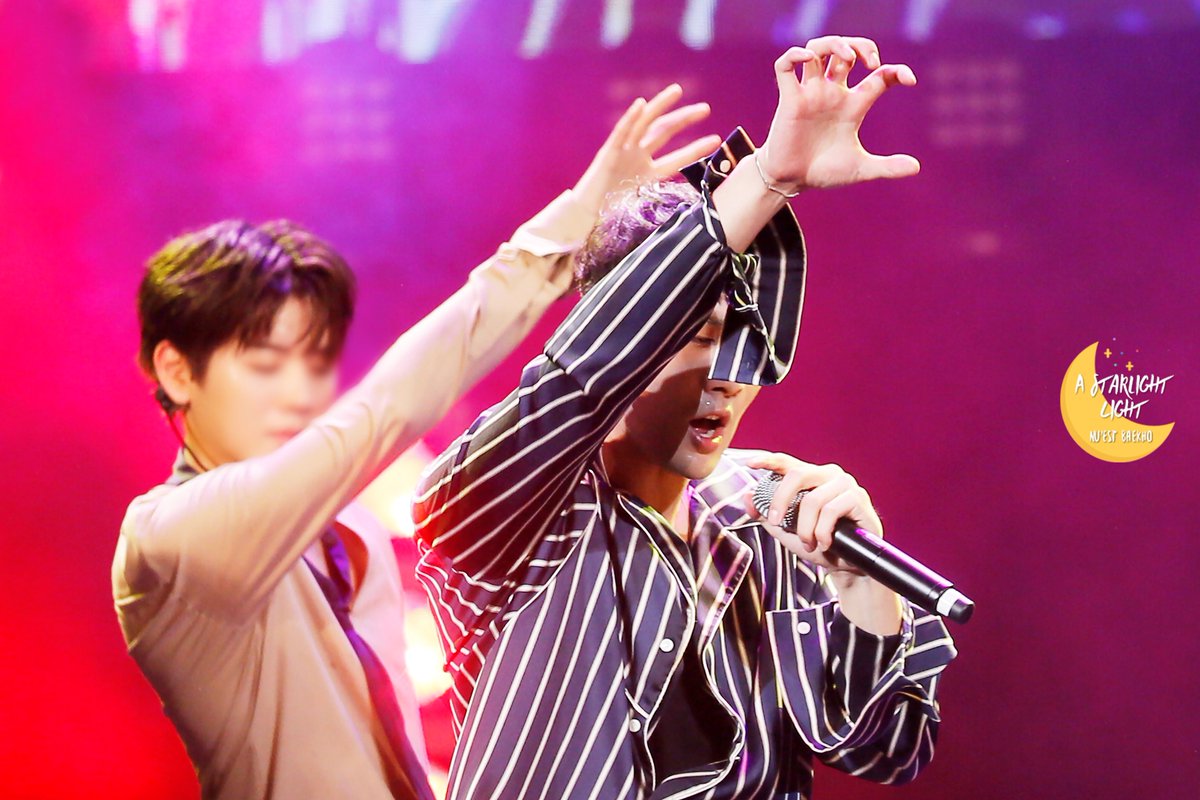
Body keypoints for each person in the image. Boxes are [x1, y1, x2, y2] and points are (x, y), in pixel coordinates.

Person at [111, 85, 719, 800]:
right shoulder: (170, 537)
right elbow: (387, 408)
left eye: (313, 361)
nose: (300, 392)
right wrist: (567, 229)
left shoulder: (347, 527)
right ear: (177, 372)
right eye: (264, 363)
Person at [413, 36, 958, 799]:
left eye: (742, 341)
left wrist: (859, 585)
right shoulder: (511, 509)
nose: (728, 376)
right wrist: (766, 180)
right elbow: (584, 373)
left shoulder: (767, 515)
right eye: (696, 338)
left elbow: (890, 753)